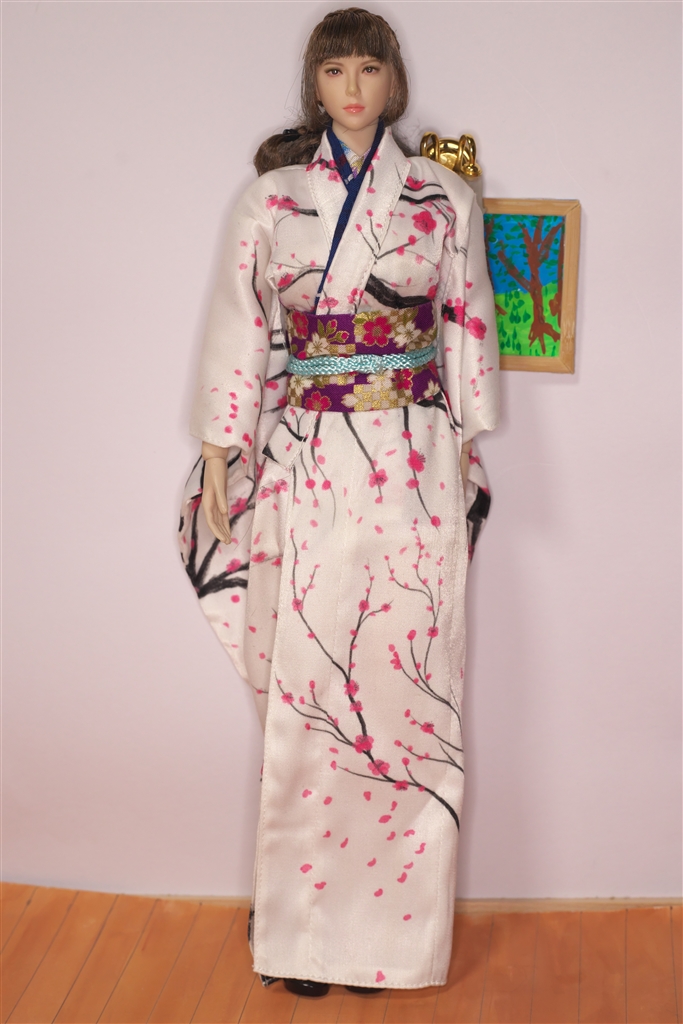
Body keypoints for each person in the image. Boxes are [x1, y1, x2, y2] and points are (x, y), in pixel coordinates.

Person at [179, 6, 500, 996]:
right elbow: (241, 323)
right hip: (312, 457)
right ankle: (303, 935)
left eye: (368, 69)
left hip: (412, 463)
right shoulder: (272, 199)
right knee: (311, 693)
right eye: (334, 71)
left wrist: (463, 441)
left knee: (406, 695)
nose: (352, 88)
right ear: (313, 85)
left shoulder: (442, 196)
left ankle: (387, 938)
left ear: (392, 82)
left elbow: (466, 321)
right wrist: (221, 448)